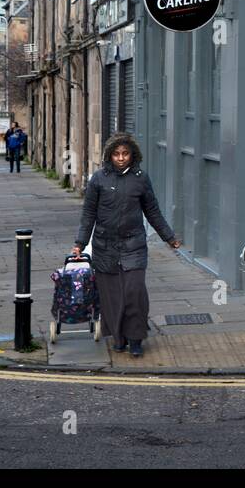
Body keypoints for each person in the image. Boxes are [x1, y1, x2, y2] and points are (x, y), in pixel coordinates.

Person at [73, 132, 181, 357]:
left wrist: (169, 237)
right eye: (116, 154)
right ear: (109, 155)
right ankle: (118, 338)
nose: (121, 158)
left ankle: (135, 338)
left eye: (125, 154)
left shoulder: (141, 178)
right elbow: (88, 214)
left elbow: (152, 211)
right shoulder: (99, 179)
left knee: (134, 292)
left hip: (134, 244)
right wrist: (80, 243)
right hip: (104, 245)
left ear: (133, 155)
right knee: (111, 297)